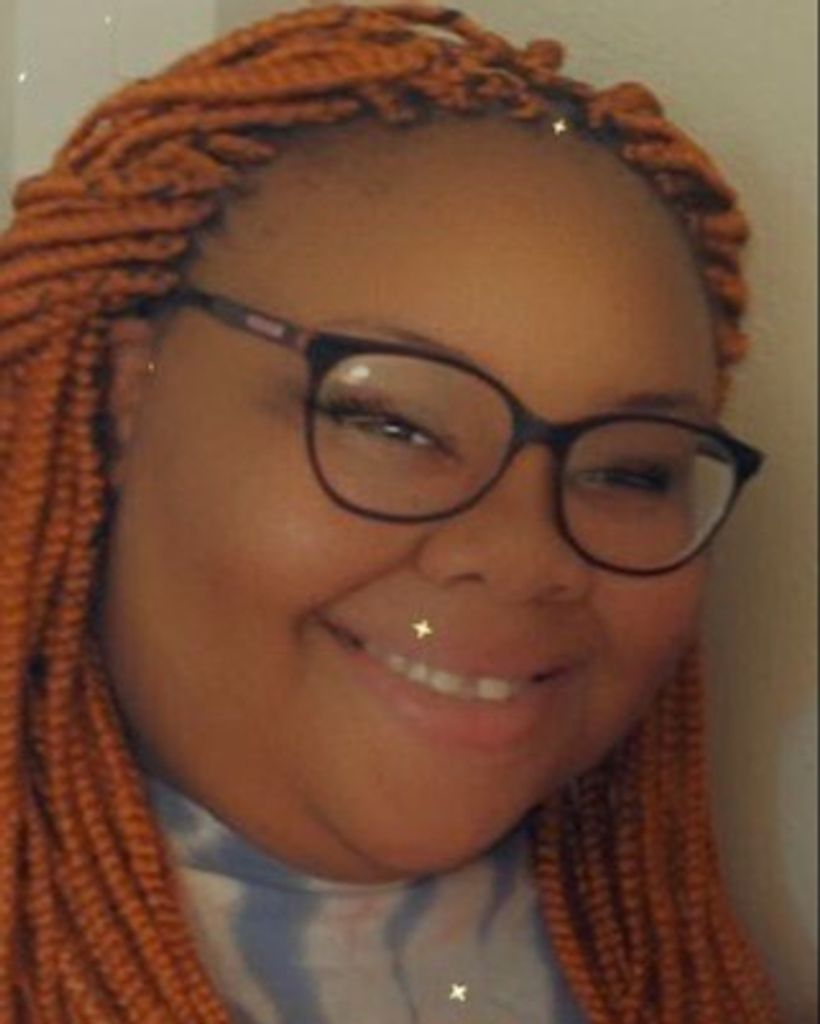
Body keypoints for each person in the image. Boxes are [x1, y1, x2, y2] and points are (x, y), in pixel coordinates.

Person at [0, 3, 783, 1021]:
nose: (524, 555)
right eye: (393, 423)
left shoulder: (663, 973)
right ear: (128, 393)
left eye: (630, 472)